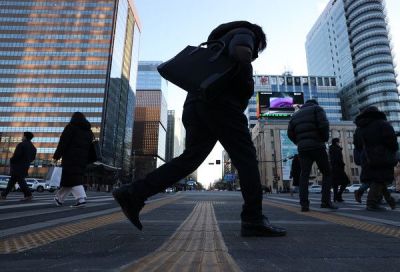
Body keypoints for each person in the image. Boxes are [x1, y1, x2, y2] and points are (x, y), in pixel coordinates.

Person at [113, 21, 286, 237]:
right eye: (258, 50)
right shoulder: (246, 32)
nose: (255, 53)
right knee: (247, 159)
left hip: (195, 104)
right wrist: (247, 83)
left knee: (189, 160)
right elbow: (242, 53)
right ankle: (253, 219)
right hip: (223, 104)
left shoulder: (214, 45)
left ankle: (134, 193)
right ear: (258, 40)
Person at [287, 99, 337, 212]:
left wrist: (299, 142)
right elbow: (324, 124)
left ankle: (304, 204)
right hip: (317, 146)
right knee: (327, 172)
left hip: (303, 148)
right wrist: (323, 139)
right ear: (315, 103)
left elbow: (289, 133)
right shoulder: (317, 109)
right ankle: (325, 201)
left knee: (304, 175)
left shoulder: (295, 115)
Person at [353, 106, 397, 211]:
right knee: (380, 179)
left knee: (376, 179)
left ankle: (390, 201)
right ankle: (372, 203)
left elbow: (357, 145)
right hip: (381, 155)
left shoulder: (359, 128)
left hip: (366, 156)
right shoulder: (382, 124)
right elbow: (392, 142)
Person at [53, 112, 94, 208]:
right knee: (70, 178)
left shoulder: (70, 127)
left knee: (73, 179)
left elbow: (63, 143)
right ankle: (59, 198)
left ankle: (81, 199)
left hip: (70, 158)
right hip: (83, 160)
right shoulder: (89, 131)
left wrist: (56, 156)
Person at [0, 132, 36, 201]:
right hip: (25, 166)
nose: (22, 137)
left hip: (17, 165)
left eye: (23, 136)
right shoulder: (33, 148)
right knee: (12, 180)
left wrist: (12, 160)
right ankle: (3, 195)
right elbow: (33, 158)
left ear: (25, 137)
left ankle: (28, 195)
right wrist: (27, 162)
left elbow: (16, 155)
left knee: (20, 180)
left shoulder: (21, 144)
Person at [328, 138, 350, 202]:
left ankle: (336, 197)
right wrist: (342, 164)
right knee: (346, 181)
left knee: (335, 184)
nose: (339, 143)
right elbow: (338, 159)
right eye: (338, 142)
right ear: (336, 142)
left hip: (333, 168)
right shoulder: (336, 149)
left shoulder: (332, 149)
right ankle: (338, 195)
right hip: (338, 168)